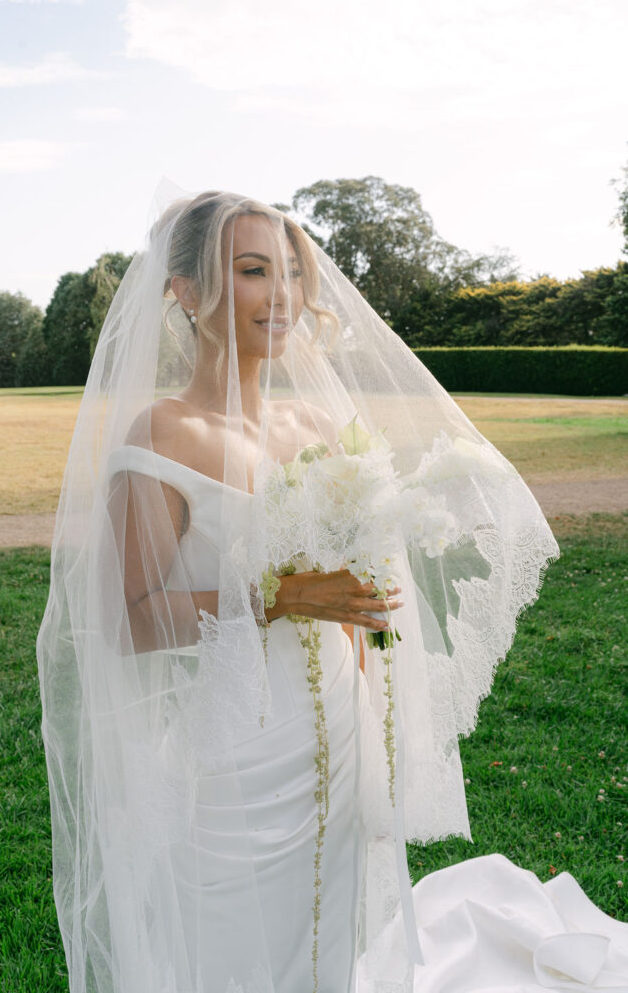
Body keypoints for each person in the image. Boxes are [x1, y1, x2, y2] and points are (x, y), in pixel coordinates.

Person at [36, 185, 627, 993]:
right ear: (182, 292)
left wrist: (374, 663)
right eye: (250, 271)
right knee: (238, 943)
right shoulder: (162, 437)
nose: (281, 296)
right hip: (238, 754)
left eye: (289, 272)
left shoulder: (314, 428)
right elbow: (123, 621)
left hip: (343, 732)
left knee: (332, 929)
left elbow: (353, 578)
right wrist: (273, 596)